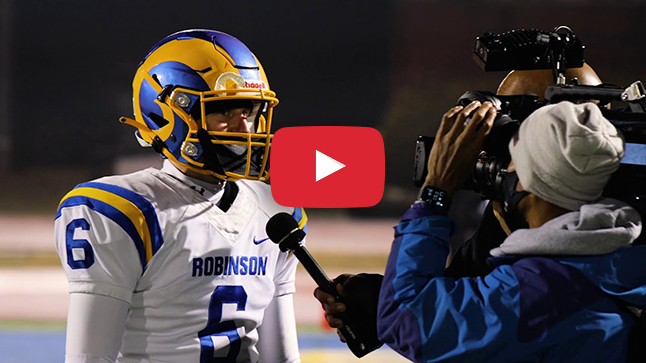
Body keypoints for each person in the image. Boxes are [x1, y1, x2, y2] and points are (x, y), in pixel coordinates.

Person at [55, 29, 304, 363]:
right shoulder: (124, 212)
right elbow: (89, 357)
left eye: (248, 111)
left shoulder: (276, 211)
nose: (245, 129)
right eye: (224, 113)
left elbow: (282, 358)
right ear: (167, 115)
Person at [315, 64, 606, 328]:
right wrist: (376, 300)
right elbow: (460, 292)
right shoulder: (519, 220)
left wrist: (436, 192)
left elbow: (418, 322)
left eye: (513, 134)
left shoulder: (571, 262)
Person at [377, 100, 645, 362]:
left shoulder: (543, 291)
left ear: (528, 182)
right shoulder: (620, 259)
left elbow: (406, 318)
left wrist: (436, 190)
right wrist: (380, 296)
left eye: (511, 163)